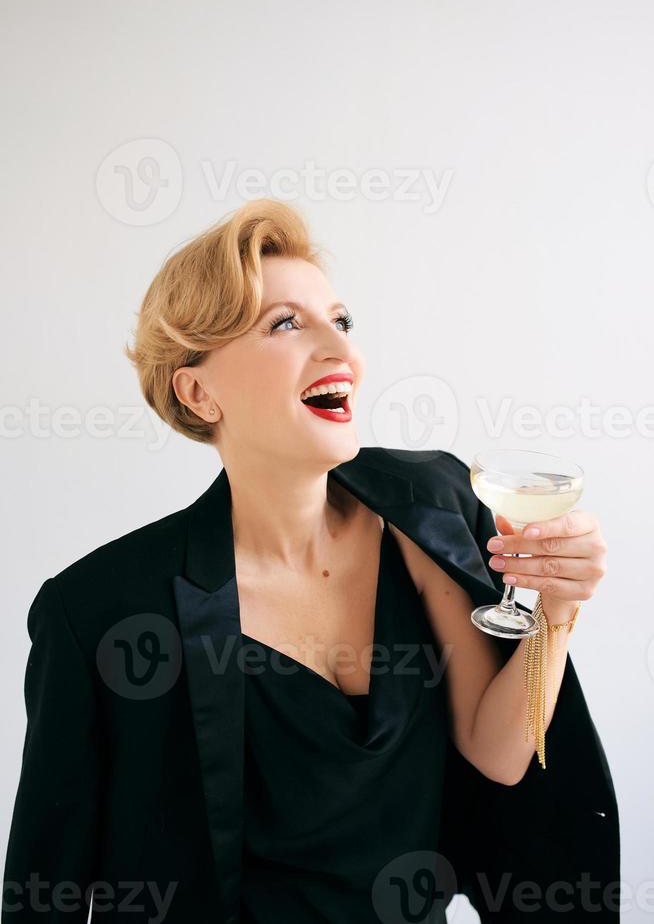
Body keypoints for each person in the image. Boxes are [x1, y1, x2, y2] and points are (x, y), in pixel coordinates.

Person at [2, 199, 620, 923]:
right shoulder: (98, 609)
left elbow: (498, 754)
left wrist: (557, 611)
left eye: (341, 321)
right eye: (286, 324)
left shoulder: (428, 508)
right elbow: (46, 889)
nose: (342, 353)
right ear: (199, 391)